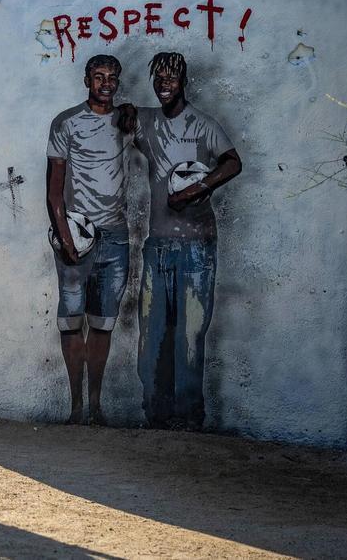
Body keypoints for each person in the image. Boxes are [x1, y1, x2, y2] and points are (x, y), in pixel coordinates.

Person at [130, 52, 242, 430]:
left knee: (190, 336)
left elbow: (233, 162)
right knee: (153, 335)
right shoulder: (145, 122)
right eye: (158, 78)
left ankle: (189, 420)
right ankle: (155, 416)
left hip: (198, 247)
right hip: (157, 244)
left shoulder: (204, 124)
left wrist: (195, 189)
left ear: (184, 82)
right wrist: (124, 111)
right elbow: (115, 121)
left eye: (171, 78)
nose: (164, 84)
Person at [45, 54, 133, 425]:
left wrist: (132, 113)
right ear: (86, 81)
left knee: (102, 323)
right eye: (98, 77)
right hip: (77, 236)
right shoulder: (66, 123)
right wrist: (67, 241)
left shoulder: (127, 121)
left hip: (115, 237)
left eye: (112, 77)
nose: (106, 83)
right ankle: (75, 407)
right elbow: (53, 191)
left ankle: (96, 406)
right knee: (71, 321)